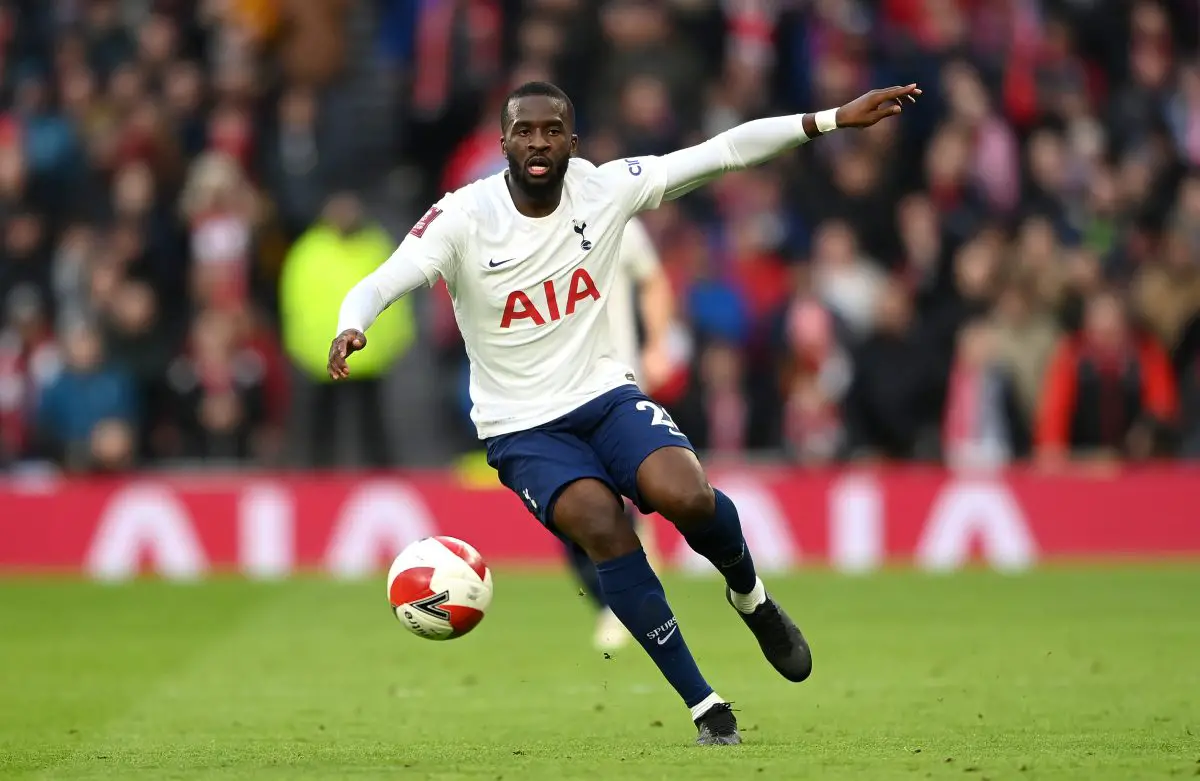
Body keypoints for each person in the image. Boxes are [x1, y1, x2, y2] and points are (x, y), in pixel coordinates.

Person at [329, 80, 920, 745]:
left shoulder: (604, 188)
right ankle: (704, 704)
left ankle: (751, 598)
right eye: (524, 131)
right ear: (503, 144)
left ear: (572, 142)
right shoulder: (463, 217)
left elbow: (723, 151)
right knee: (602, 525)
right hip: (521, 426)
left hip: (604, 395)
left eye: (552, 129)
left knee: (687, 494)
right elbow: (385, 277)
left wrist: (832, 118)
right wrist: (355, 323)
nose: (538, 142)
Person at [569, 215, 674, 652]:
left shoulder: (614, 217)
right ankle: (611, 602)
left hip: (618, 382)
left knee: (616, 496)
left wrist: (657, 343)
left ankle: (624, 605)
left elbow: (653, 281)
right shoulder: (521, 227)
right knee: (572, 510)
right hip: (554, 392)